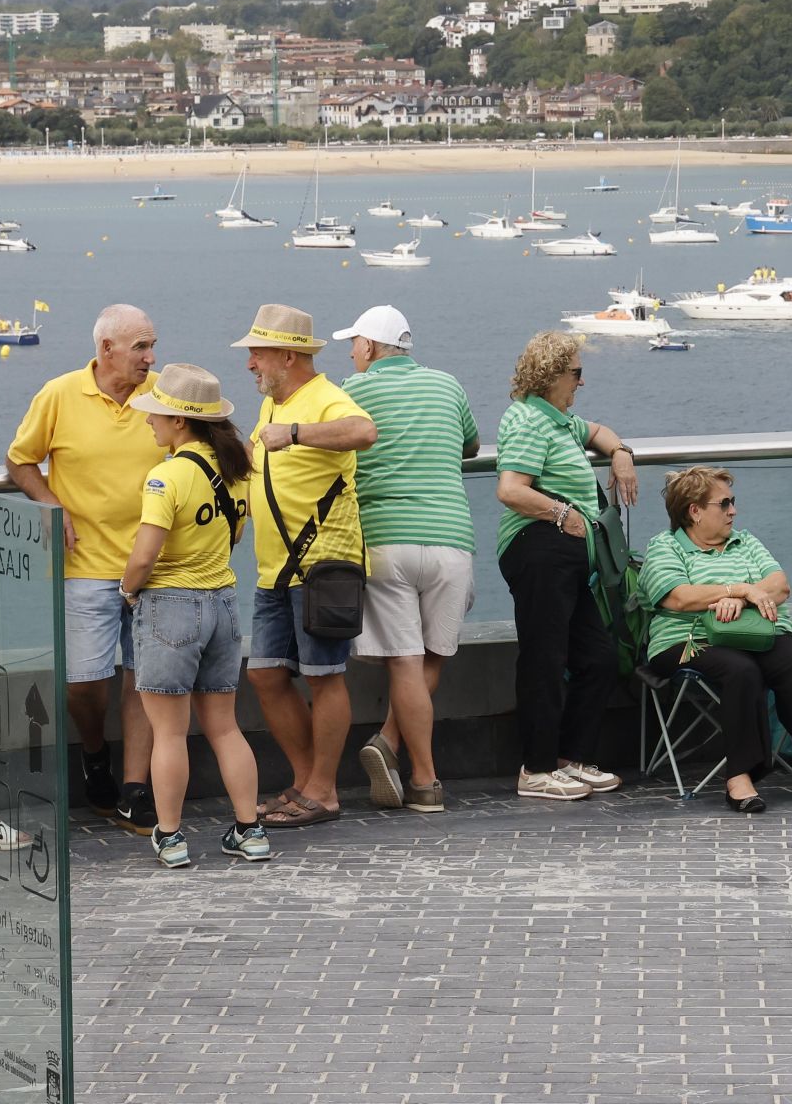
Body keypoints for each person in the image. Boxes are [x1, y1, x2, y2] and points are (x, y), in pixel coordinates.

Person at [6, 304, 164, 833]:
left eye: (151, 345)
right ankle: (95, 755)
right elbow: (19, 460)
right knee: (85, 681)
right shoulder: (59, 394)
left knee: (146, 680)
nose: (150, 356)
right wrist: (50, 503)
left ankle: (136, 790)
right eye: (140, 347)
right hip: (85, 565)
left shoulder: (165, 395)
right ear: (106, 350)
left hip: (156, 565)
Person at [118, 365, 272, 869]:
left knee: (167, 732)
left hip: (170, 607)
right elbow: (236, 539)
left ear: (180, 422)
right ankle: (250, 829)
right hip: (223, 605)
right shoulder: (235, 470)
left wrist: (127, 589)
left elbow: (145, 555)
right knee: (225, 728)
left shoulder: (166, 476)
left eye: (156, 415)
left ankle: (169, 835)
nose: (149, 423)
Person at [230, 304, 377, 828]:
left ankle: (324, 789)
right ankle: (305, 780)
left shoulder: (324, 397)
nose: (249, 364)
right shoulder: (273, 403)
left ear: (287, 355)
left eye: (256, 353)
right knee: (267, 676)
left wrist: (295, 433)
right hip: (275, 570)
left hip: (322, 567)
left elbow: (363, 431)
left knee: (323, 677)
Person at [336, 306, 478, 815]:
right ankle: (392, 747)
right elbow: (471, 444)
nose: (351, 354)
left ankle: (424, 777)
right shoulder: (448, 385)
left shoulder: (351, 392)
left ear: (370, 348)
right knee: (431, 656)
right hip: (450, 538)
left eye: (353, 344)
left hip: (386, 540)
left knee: (405, 661)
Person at [645, 468, 792, 812]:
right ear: (694, 511)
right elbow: (677, 597)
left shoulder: (745, 541)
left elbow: (779, 585)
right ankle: (739, 774)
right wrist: (736, 588)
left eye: (732, 502)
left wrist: (740, 601)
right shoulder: (664, 547)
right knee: (740, 670)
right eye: (724, 504)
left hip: (756, 633)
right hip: (687, 641)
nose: (733, 511)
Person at [494, 331, 638, 801]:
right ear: (552, 375)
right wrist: (563, 514)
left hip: (570, 556)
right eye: (576, 372)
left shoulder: (559, 420)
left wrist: (620, 455)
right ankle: (535, 768)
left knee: (596, 658)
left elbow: (599, 432)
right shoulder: (528, 421)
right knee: (544, 658)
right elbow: (511, 489)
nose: (581, 381)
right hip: (540, 549)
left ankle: (569, 759)